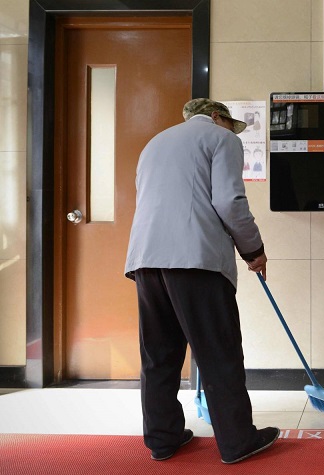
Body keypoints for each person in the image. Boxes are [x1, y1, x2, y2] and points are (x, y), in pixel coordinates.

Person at [124, 98, 279, 463]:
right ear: (215, 117)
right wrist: (253, 249)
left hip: (146, 259)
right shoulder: (220, 138)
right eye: (231, 125)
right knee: (218, 350)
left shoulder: (154, 144)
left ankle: (163, 440)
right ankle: (238, 441)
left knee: (159, 354)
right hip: (195, 259)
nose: (233, 133)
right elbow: (229, 202)